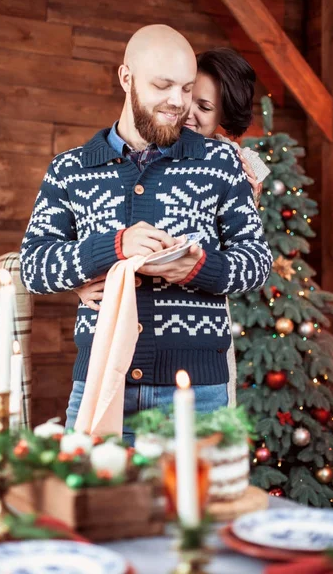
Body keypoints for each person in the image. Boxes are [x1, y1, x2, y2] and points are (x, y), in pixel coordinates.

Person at [20, 25, 273, 438]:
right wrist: (113, 247)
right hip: (99, 385)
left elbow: (257, 263)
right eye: (163, 85)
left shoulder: (222, 161)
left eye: (188, 89)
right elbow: (33, 267)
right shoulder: (70, 169)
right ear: (126, 78)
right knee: (92, 504)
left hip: (196, 398)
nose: (178, 102)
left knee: (195, 506)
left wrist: (198, 268)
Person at [76, 46, 271, 408]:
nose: (187, 112)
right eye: (186, 96)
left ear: (224, 118)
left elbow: (249, 250)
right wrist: (82, 280)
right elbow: (104, 231)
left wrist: (198, 267)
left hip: (202, 321)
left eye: (205, 108)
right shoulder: (139, 146)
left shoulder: (237, 163)